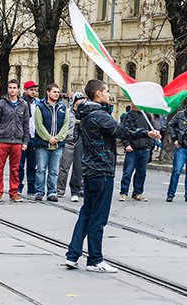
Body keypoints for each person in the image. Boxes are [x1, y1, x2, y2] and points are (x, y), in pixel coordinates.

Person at [64, 80, 160, 273]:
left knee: (86, 214)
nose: (110, 95)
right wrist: (146, 132)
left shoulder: (86, 112)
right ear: (98, 94)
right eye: (107, 91)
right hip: (101, 170)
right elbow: (122, 131)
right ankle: (95, 260)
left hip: (91, 170)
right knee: (98, 218)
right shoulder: (99, 115)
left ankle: (72, 255)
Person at [0, 79, 30, 202]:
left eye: (14, 88)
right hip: (2, 141)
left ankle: (13, 192)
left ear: (18, 89)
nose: (12, 90)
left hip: (17, 141)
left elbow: (26, 124)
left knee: (15, 168)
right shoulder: (0, 104)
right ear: (8, 89)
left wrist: (25, 142)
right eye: (10, 88)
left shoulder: (23, 105)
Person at [34, 83, 69, 202]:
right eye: (54, 91)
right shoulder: (40, 106)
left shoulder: (63, 108)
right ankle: (39, 192)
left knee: (54, 171)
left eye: (58, 92)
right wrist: (48, 138)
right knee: (41, 169)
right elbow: (39, 125)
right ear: (48, 92)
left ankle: (52, 192)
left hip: (58, 145)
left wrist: (58, 138)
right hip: (42, 145)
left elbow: (65, 125)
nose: (56, 94)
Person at [119, 104, 153, 202]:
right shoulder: (129, 115)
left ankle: (137, 193)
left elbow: (151, 130)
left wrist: (149, 147)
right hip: (132, 149)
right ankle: (123, 192)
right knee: (127, 172)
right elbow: (124, 131)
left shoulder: (147, 115)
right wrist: (126, 144)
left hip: (144, 149)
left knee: (141, 173)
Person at [165, 97, 187, 202]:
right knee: (177, 171)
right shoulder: (181, 114)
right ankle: (170, 194)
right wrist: (174, 139)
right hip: (182, 146)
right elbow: (170, 125)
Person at [57, 92, 86, 201]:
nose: (82, 100)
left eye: (83, 98)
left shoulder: (84, 113)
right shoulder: (67, 113)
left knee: (80, 167)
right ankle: (60, 190)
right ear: (74, 101)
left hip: (80, 142)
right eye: (80, 99)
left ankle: (81, 188)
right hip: (68, 142)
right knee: (64, 167)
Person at [18, 80, 39, 196]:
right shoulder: (21, 103)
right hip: (22, 138)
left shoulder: (37, 103)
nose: (33, 92)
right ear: (25, 90)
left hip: (34, 137)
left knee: (32, 165)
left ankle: (32, 187)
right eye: (31, 90)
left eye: (34, 90)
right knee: (20, 165)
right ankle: (18, 186)